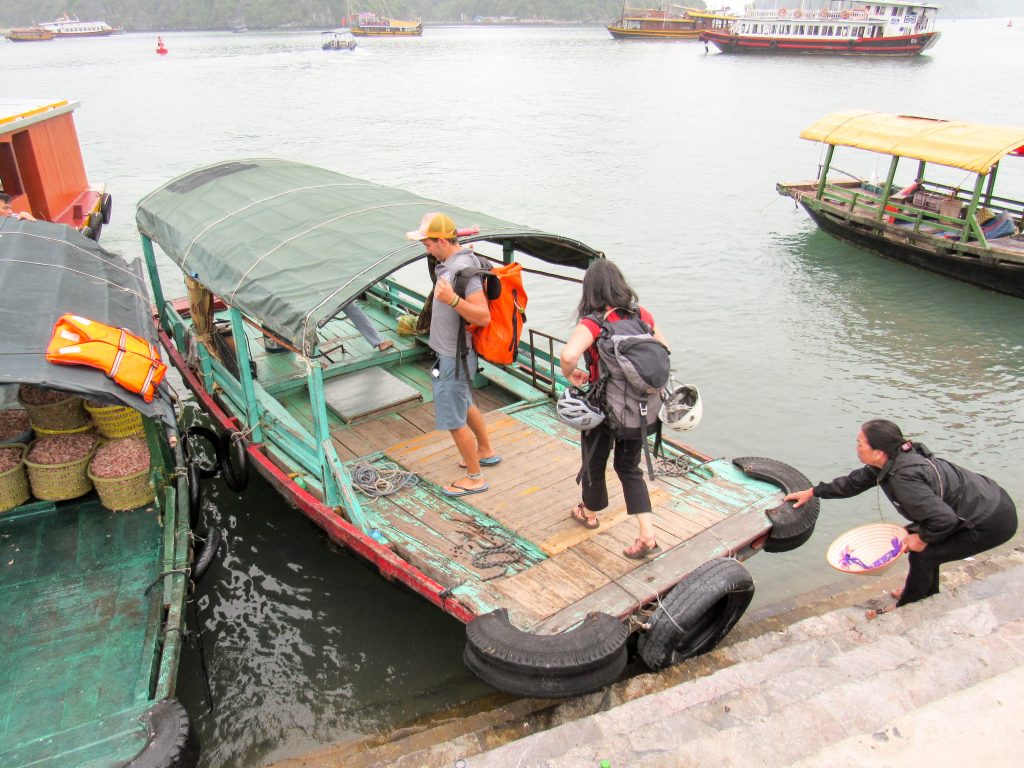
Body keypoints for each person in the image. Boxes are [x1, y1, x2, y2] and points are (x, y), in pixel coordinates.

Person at [786, 419, 1017, 617]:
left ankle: (908, 607)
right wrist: (813, 492)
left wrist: (923, 537)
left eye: (859, 443)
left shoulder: (904, 480)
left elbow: (944, 520)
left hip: (990, 520)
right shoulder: (892, 459)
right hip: (979, 501)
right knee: (916, 542)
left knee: (923, 554)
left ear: (877, 451)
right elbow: (853, 483)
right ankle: (924, 592)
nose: (856, 447)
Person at [559, 259, 670, 559]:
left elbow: (569, 355)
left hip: (604, 406)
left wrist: (571, 374)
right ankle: (647, 535)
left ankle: (590, 513)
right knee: (629, 468)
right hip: (641, 408)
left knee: (595, 461)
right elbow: (664, 349)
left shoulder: (594, 322)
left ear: (590, 290)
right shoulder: (641, 315)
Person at [406, 212, 498, 497]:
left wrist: (452, 300)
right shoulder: (462, 257)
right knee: (465, 401)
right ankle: (484, 450)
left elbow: (482, 316)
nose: (426, 249)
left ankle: (475, 478)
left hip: (453, 356)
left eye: (428, 244)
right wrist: (469, 230)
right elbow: (453, 236)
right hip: (457, 353)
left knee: (453, 419)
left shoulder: (459, 272)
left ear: (443, 241)